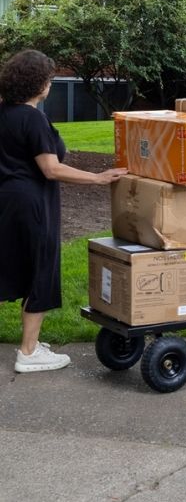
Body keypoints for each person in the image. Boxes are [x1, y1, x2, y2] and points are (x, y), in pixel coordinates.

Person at [0, 50, 127, 372]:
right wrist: (98, 178)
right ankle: (28, 353)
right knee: (39, 270)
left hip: (7, 201)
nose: (51, 85)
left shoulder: (3, 113)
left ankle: (31, 346)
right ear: (39, 84)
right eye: (50, 79)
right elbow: (51, 169)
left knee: (12, 265)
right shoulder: (32, 118)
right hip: (32, 203)